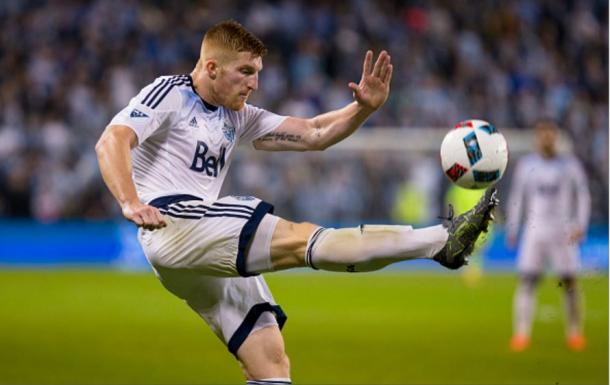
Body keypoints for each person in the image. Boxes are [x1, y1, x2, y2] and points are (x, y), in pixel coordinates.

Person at [95, 20, 498, 384]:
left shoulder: (237, 116)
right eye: (246, 72)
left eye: (257, 73)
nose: (253, 83)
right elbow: (112, 139)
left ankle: (440, 244)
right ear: (212, 68)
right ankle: (440, 242)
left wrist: (361, 109)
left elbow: (313, 133)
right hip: (175, 221)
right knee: (304, 239)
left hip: (197, 251)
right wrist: (130, 202)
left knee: (269, 361)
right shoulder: (172, 93)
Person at [506, 119, 591, 352]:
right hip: (535, 230)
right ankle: (521, 334)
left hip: (563, 231)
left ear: (556, 136)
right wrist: (513, 228)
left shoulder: (570, 165)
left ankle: (574, 333)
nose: (546, 137)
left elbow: (583, 195)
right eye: (542, 133)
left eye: (550, 133)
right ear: (537, 137)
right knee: (527, 280)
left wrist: (581, 224)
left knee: (570, 281)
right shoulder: (527, 165)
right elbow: (517, 197)